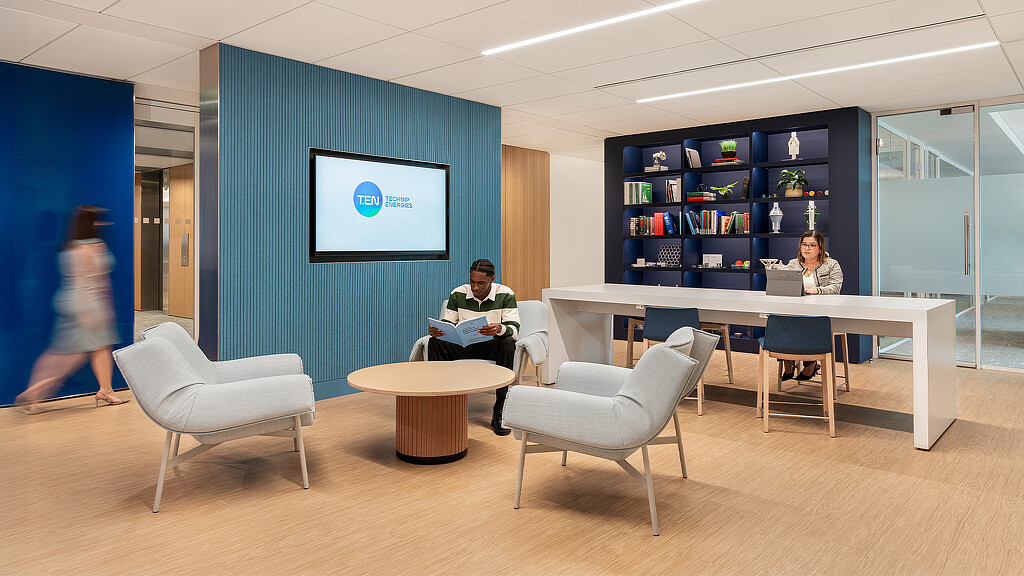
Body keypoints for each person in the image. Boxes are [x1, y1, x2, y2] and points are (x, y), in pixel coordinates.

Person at [15, 206, 129, 413]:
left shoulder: (69, 247)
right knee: (73, 354)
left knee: (91, 347)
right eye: (100, 219)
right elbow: (99, 282)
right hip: (89, 304)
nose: (105, 223)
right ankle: (35, 392)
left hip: (68, 301)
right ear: (91, 223)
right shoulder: (96, 246)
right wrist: (99, 310)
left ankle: (106, 389)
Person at [428, 259, 520, 436]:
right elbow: (448, 323)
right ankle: (440, 403)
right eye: (472, 282)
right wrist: (439, 330)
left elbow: (514, 329)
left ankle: (500, 407)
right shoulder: (458, 293)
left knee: (507, 342)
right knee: (435, 342)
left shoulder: (506, 294)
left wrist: (500, 328)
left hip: (490, 345)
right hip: (465, 344)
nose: (475, 288)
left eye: (481, 283)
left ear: (492, 279)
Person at [782, 229, 844, 381]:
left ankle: (810, 363)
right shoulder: (793, 264)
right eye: (804, 245)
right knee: (781, 320)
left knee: (805, 323)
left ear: (820, 248)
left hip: (821, 313)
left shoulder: (831, 264)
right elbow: (784, 285)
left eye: (811, 245)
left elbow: (835, 288)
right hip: (796, 311)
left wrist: (817, 290)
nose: (807, 249)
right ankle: (787, 362)